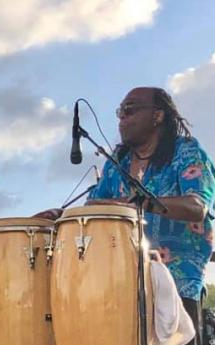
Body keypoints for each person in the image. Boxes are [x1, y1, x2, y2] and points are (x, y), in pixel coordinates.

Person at [86, 87, 215, 345]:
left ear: (158, 116)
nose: (122, 118)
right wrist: (58, 216)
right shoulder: (118, 162)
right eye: (120, 112)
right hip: (124, 278)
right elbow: (93, 207)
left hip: (179, 275)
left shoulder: (185, 152)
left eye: (130, 110)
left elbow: (197, 206)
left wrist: (143, 203)